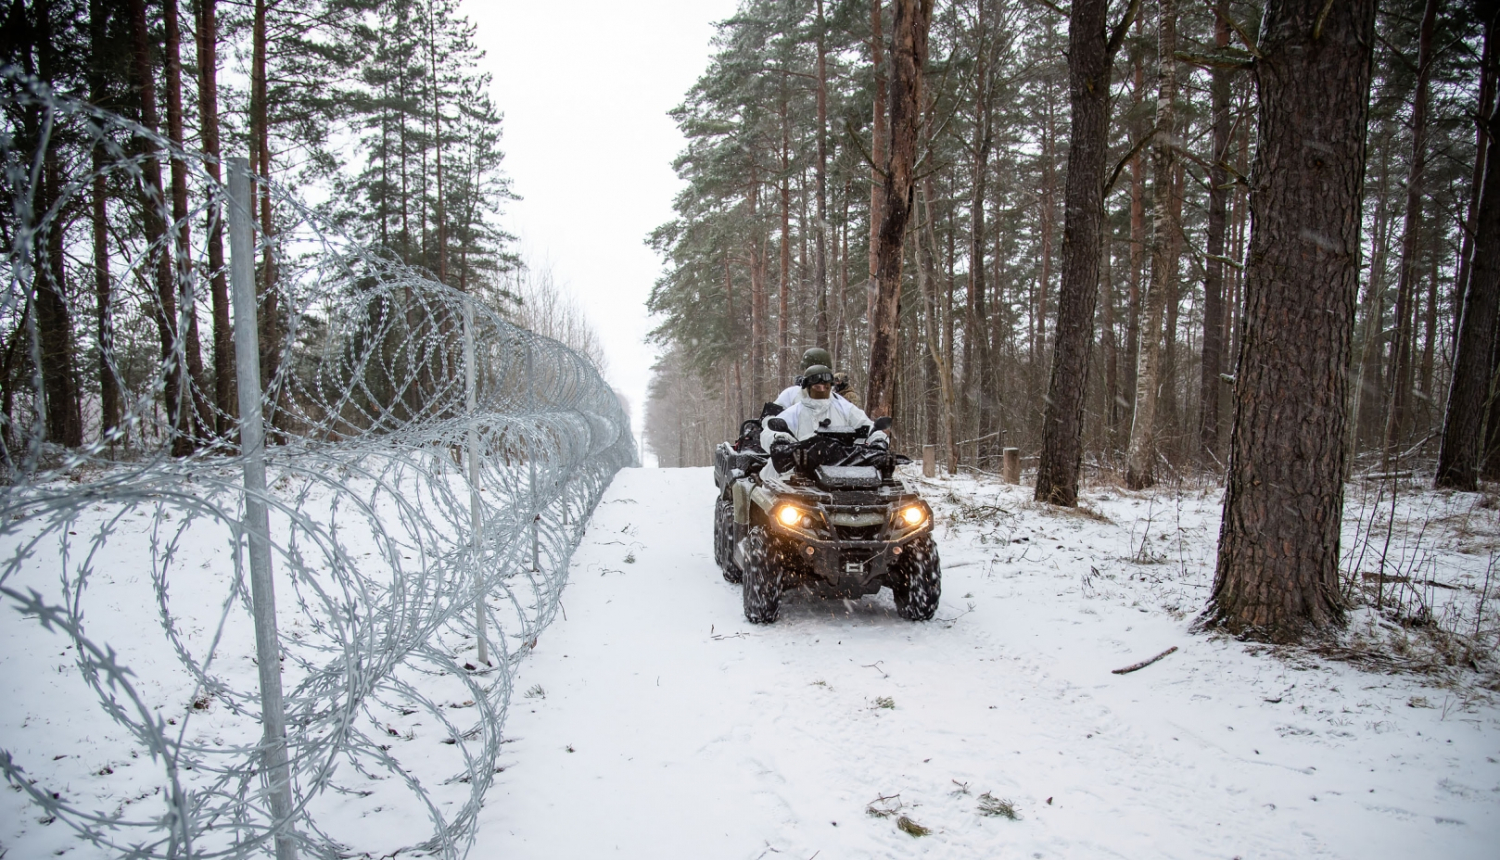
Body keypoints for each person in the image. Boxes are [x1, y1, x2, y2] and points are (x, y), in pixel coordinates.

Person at [761, 366, 887, 476]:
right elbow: (769, 432)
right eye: (817, 386)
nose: (822, 390)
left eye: (826, 386)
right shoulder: (795, 412)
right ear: (807, 387)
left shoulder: (845, 408)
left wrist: (878, 440)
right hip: (800, 472)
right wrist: (780, 440)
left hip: (844, 471)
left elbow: (868, 426)